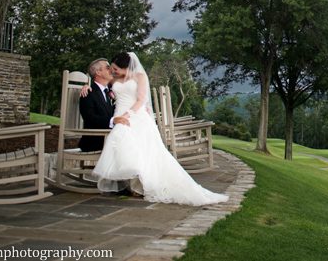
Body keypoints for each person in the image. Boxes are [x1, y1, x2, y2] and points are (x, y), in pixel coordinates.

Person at [90, 51, 229, 206]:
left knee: (139, 147)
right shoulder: (115, 79)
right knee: (120, 139)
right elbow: (98, 85)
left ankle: (142, 184)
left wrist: (128, 115)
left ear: (126, 67)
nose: (113, 71)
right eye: (112, 68)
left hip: (135, 115)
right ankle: (133, 182)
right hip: (119, 117)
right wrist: (85, 86)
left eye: (116, 69)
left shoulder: (139, 77)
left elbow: (141, 99)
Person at [78, 58, 125, 152]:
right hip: (95, 140)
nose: (112, 70)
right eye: (108, 68)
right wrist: (113, 120)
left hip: (108, 137)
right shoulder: (88, 92)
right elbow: (90, 118)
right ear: (98, 72)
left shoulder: (109, 92)